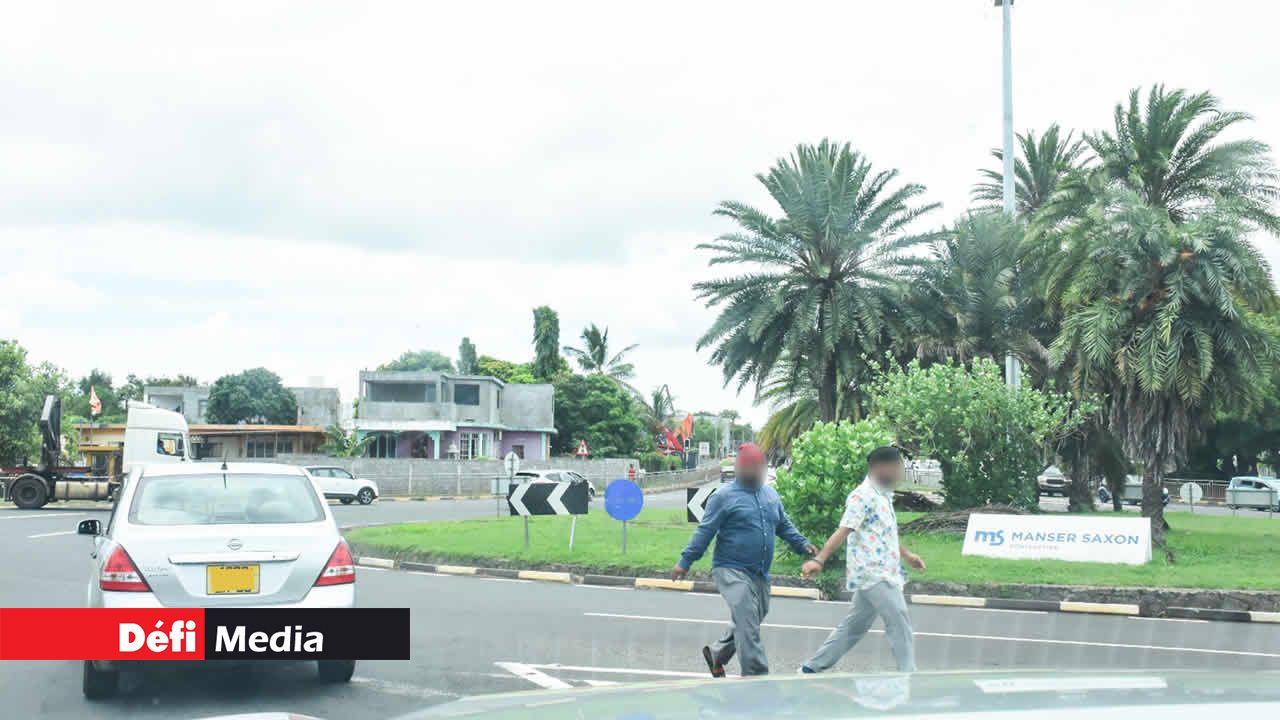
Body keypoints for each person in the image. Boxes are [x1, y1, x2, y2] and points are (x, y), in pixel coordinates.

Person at [672, 442, 816, 677]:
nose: (755, 472)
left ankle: (718, 654)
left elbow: (783, 524)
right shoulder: (723, 497)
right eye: (750, 468)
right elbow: (705, 531)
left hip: (759, 573)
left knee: (751, 619)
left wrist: (801, 543)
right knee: (748, 622)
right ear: (739, 469)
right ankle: (756, 678)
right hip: (730, 569)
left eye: (759, 467)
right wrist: (685, 562)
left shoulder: (770, 494)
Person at [798, 446, 924, 674]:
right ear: (880, 468)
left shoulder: (883, 495)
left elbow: (886, 533)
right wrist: (819, 560)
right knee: (899, 618)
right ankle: (909, 674)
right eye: (897, 469)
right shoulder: (862, 496)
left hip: (883, 571)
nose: (899, 474)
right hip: (872, 573)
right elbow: (844, 530)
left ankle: (811, 668)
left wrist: (908, 556)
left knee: (854, 627)